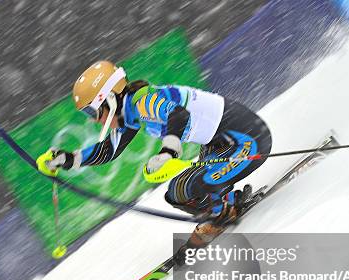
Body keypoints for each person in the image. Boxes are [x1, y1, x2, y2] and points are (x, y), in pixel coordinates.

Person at [37, 60, 272, 253]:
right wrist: (68, 159)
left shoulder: (142, 101)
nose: (92, 118)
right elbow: (108, 150)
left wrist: (168, 152)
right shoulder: (129, 111)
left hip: (248, 141)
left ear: (108, 98)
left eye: (91, 111)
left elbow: (178, 115)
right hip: (221, 144)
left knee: (188, 189)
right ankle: (225, 206)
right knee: (180, 192)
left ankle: (223, 213)